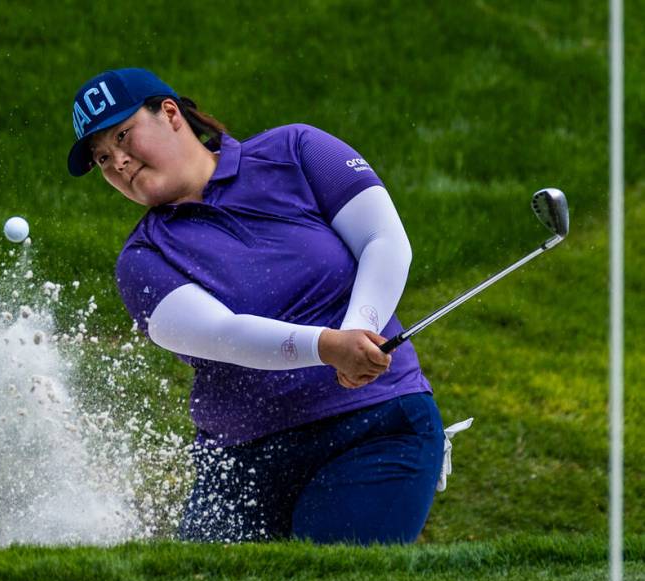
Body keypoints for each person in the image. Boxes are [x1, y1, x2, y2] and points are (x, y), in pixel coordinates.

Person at [67, 68, 452, 545]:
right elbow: (222, 334)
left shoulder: (297, 149)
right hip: (239, 459)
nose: (118, 162)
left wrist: (360, 330)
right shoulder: (143, 259)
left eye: (123, 136)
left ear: (169, 114)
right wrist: (329, 346)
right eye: (103, 158)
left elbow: (384, 240)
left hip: (372, 426)